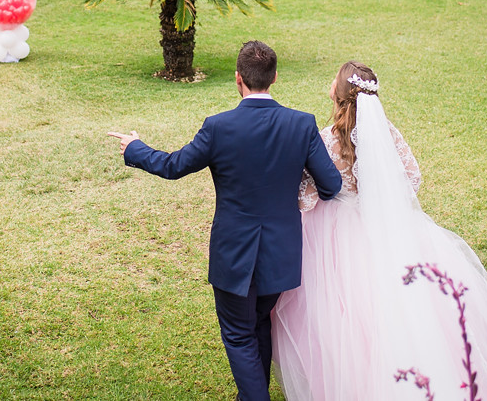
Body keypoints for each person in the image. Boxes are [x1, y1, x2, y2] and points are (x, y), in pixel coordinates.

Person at [271, 62, 487, 401]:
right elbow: (412, 177)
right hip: (388, 228)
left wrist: (332, 199)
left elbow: (308, 196)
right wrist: (379, 200)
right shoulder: (385, 132)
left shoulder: (326, 139)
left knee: (342, 318)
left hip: (337, 236)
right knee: (410, 311)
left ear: (337, 94)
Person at [108, 41, 342, 401]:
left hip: (234, 255)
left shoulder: (219, 127)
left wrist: (135, 148)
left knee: (238, 333)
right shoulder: (302, 124)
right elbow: (330, 185)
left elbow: (173, 166)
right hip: (282, 252)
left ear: (237, 78)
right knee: (259, 321)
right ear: (274, 78)